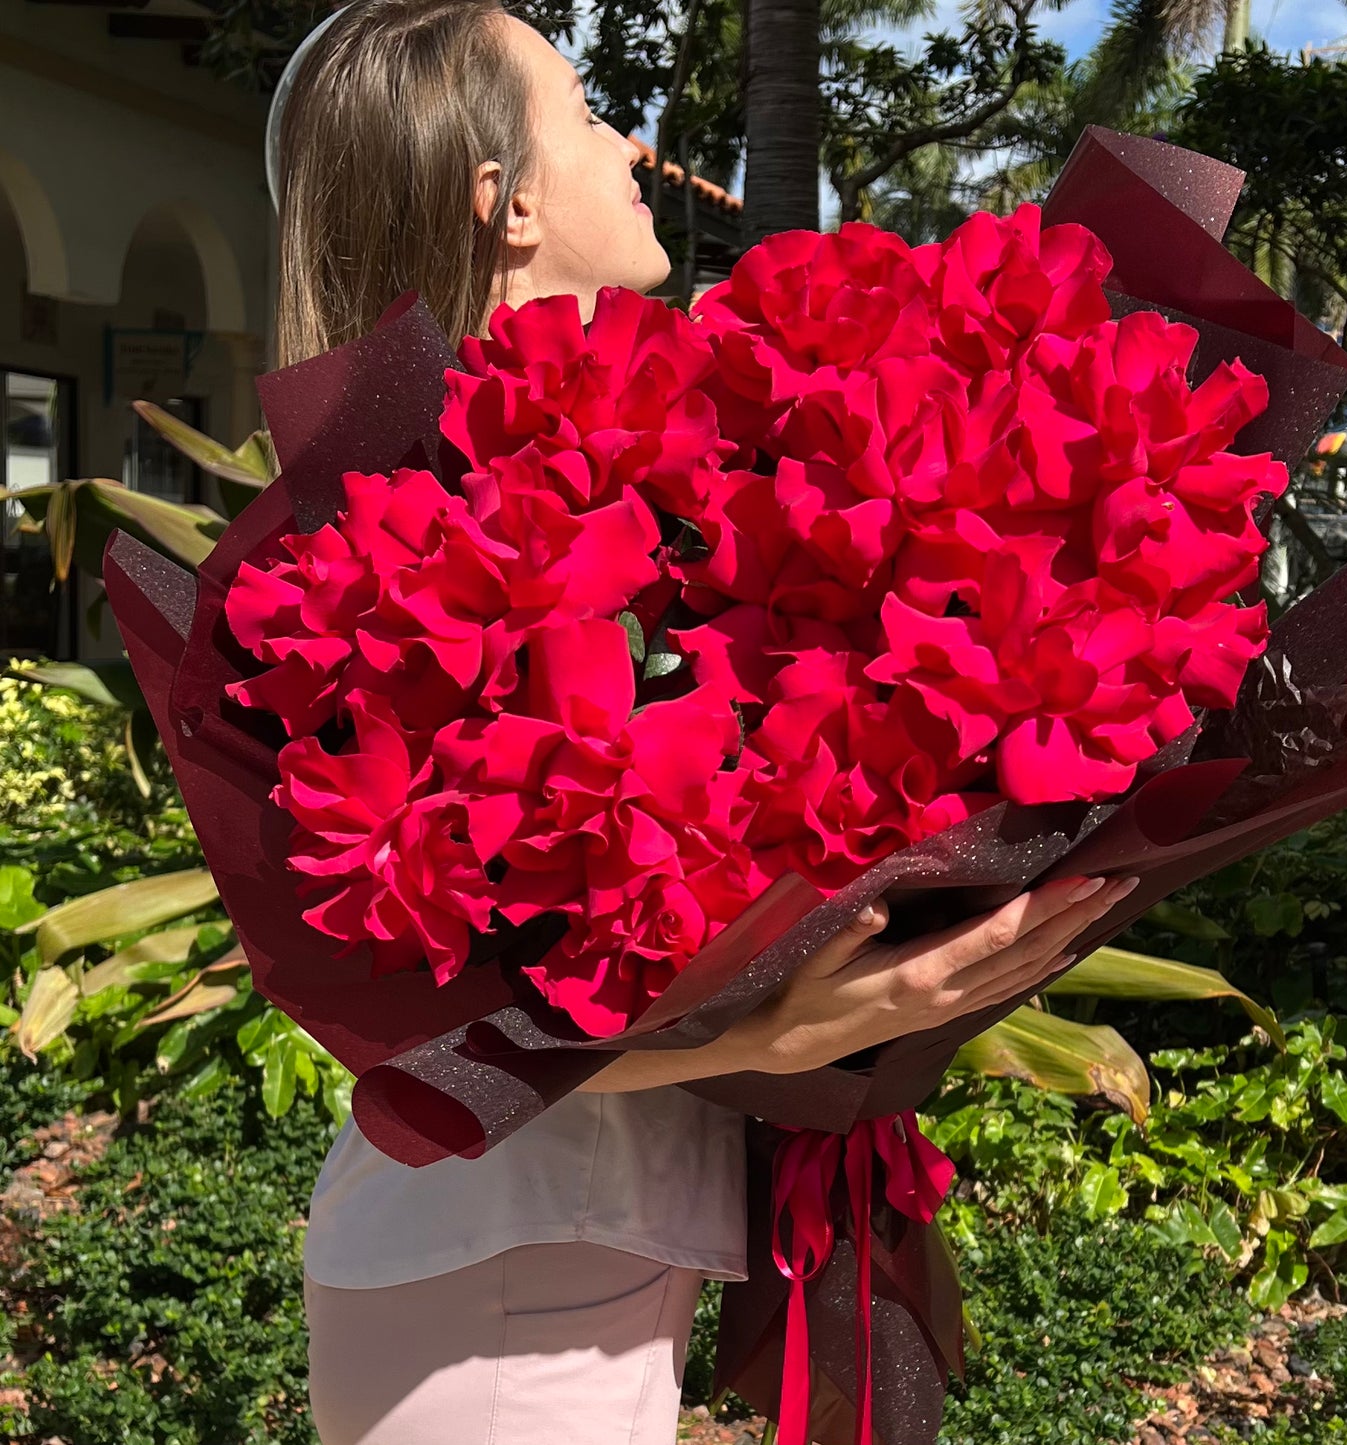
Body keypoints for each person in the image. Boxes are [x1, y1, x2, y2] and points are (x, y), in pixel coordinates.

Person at [270, 4, 1140, 1441]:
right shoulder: (394, 534)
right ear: (508, 199)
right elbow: (406, 1063)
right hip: (493, 1269)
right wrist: (799, 1033)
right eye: (588, 109)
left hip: (578, 1246)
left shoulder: (679, 484)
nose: (631, 143)